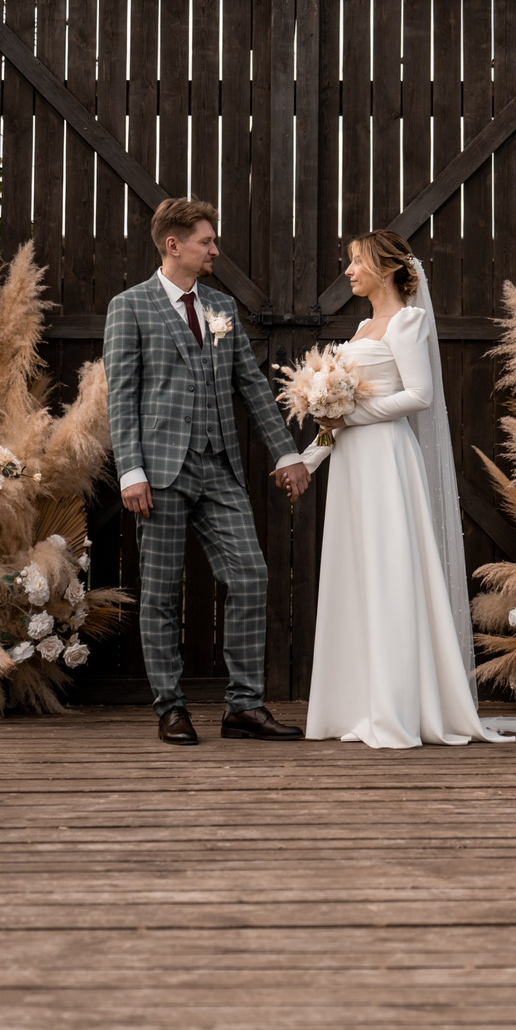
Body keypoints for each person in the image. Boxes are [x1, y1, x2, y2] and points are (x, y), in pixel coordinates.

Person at [104, 197, 312, 746]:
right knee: (160, 593)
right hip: (161, 472)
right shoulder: (130, 307)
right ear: (174, 245)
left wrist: (286, 453)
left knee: (250, 575)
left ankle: (243, 707)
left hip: (220, 467)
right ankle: (170, 708)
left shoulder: (220, 308)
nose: (215, 249)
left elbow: (251, 385)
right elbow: (122, 398)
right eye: (206, 241)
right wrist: (131, 471)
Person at [296, 231, 514, 747]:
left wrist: (354, 413)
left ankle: (396, 708)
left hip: (388, 463)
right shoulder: (362, 327)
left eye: (356, 262)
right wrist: (307, 461)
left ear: (387, 268)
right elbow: (337, 418)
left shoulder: (409, 321)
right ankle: (357, 704)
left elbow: (420, 395)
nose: (348, 272)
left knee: (390, 572)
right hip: (353, 466)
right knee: (358, 574)